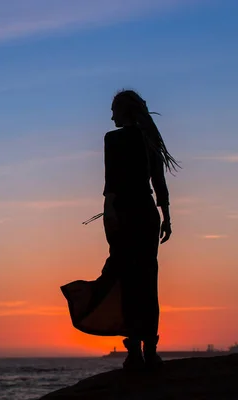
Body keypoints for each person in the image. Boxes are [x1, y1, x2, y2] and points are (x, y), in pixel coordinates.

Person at [61, 89, 180, 371]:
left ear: (124, 112)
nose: (111, 115)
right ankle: (148, 350)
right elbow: (159, 183)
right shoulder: (149, 139)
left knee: (125, 280)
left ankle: (135, 353)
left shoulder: (113, 139)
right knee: (147, 281)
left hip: (125, 214)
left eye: (114, 110)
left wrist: (110, 217)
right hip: (147, 213)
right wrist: (167, 217)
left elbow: (110, 185)